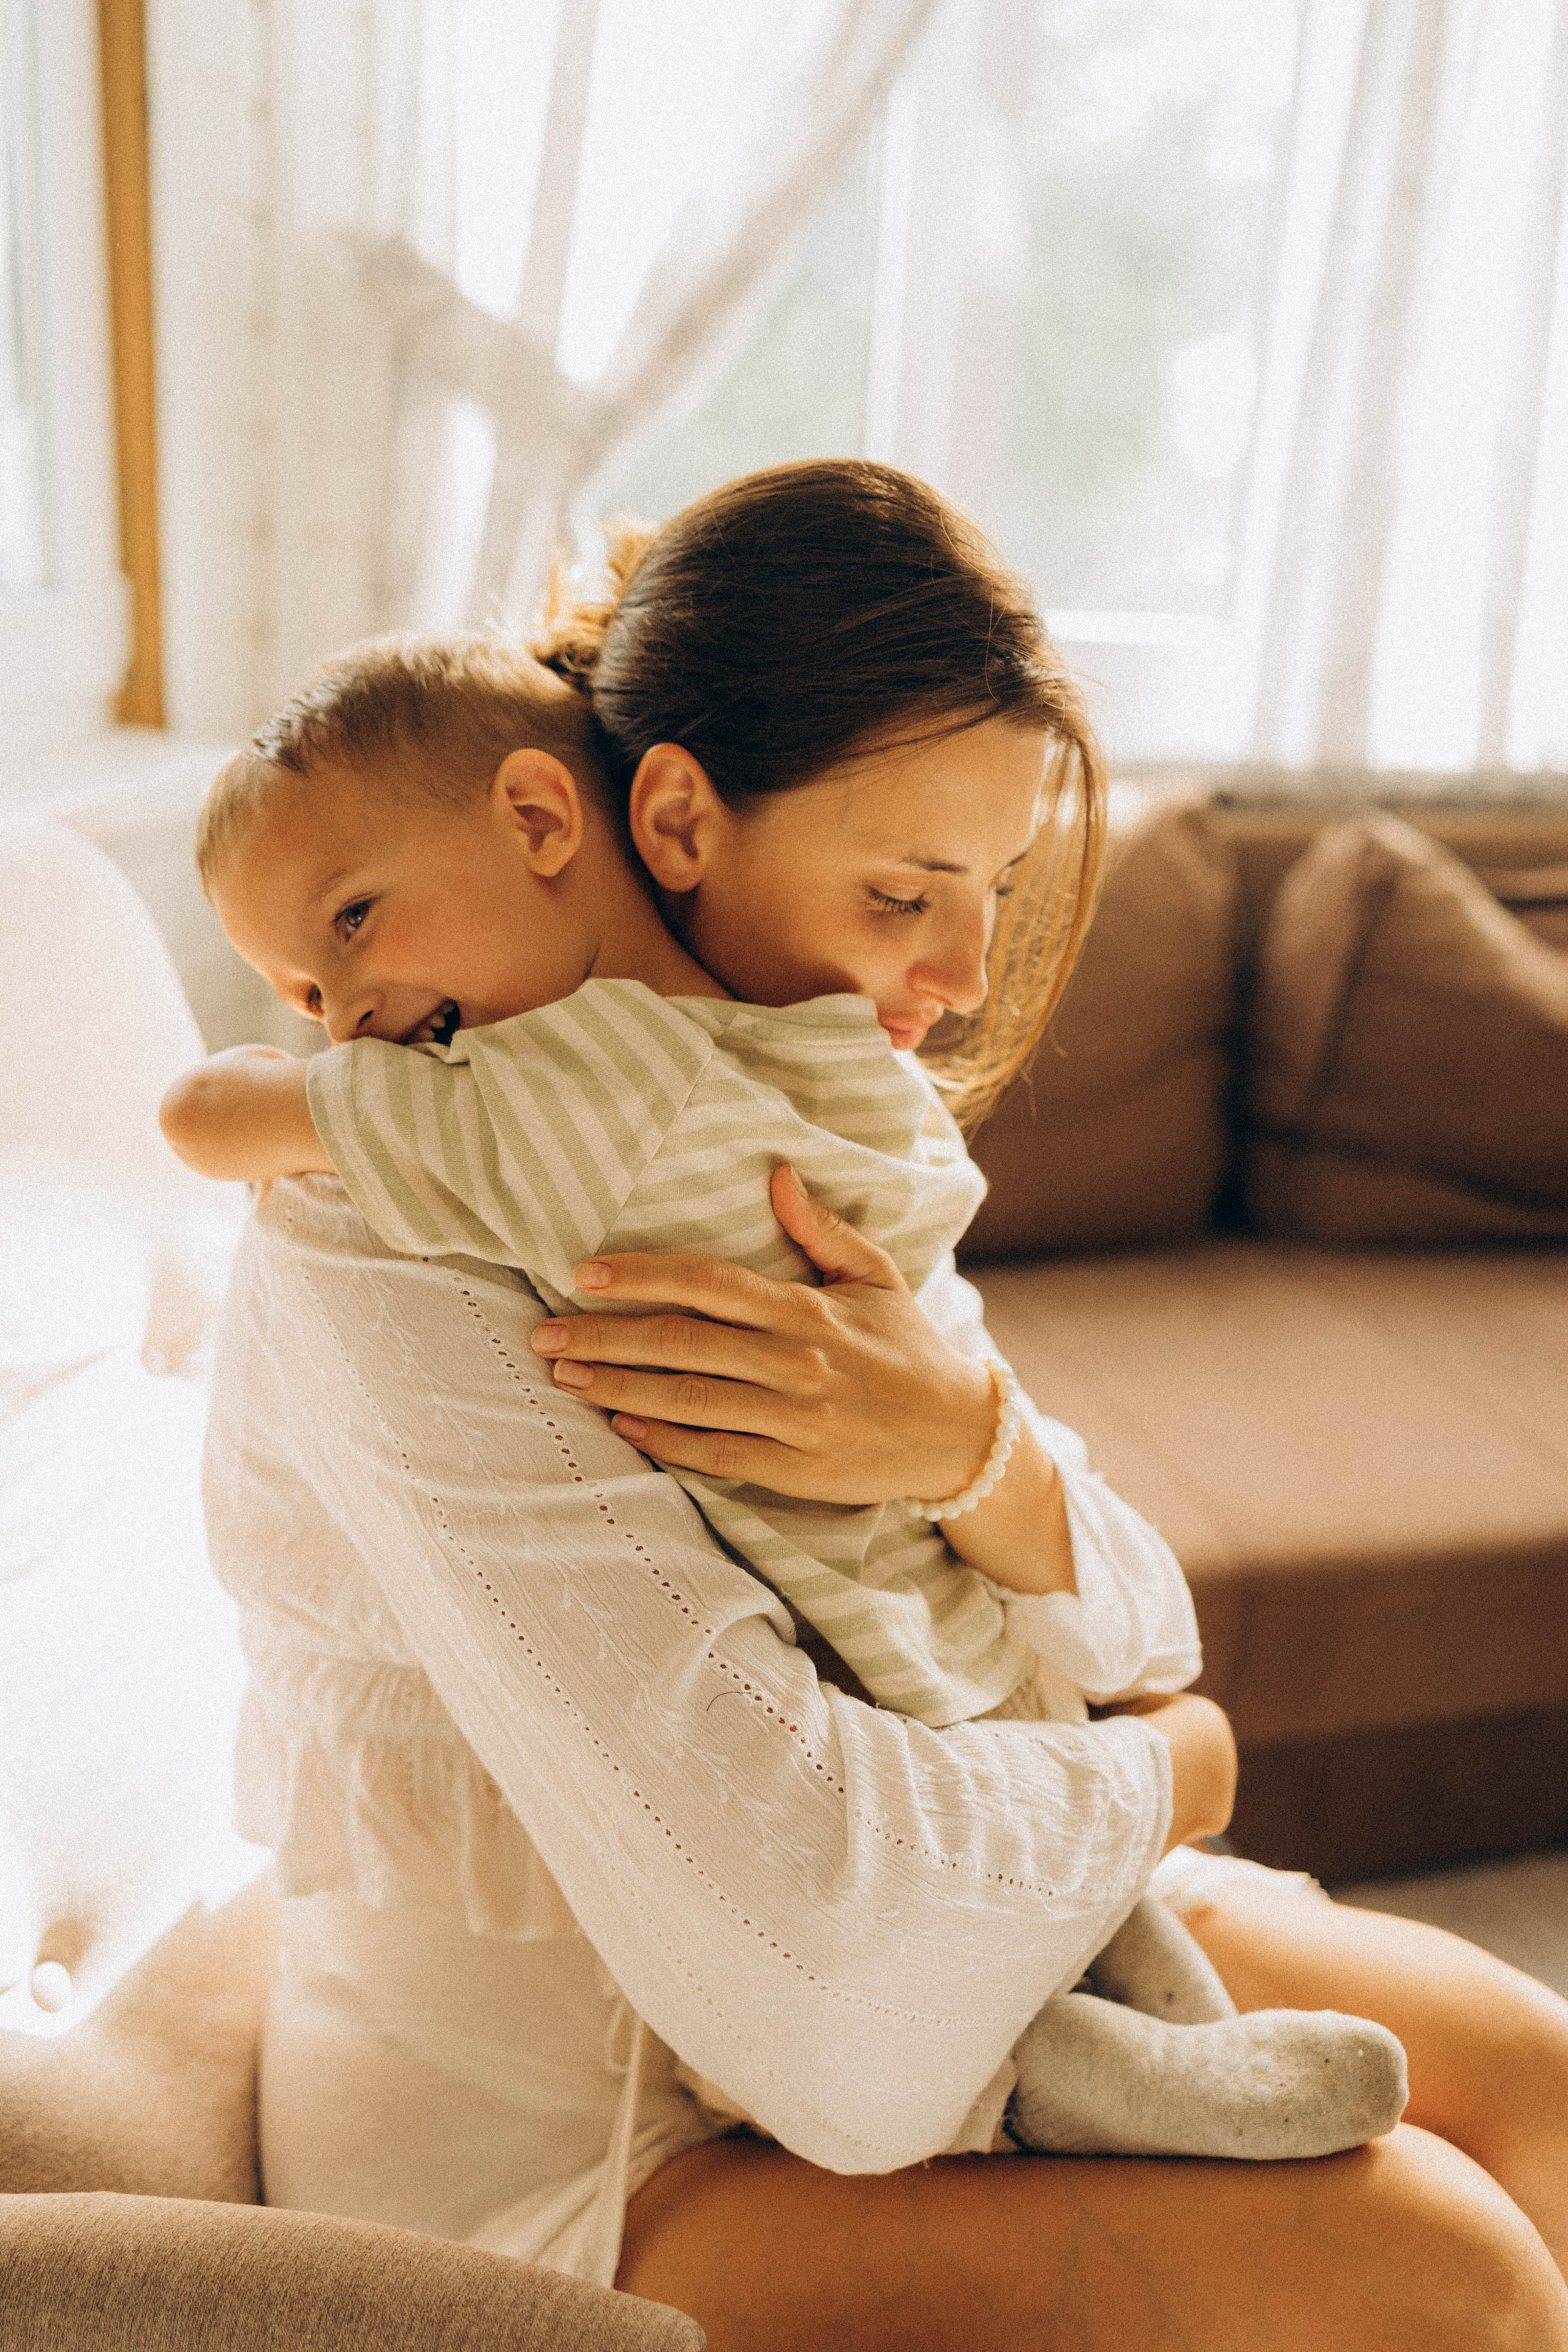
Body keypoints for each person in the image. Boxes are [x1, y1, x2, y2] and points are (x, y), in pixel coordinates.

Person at [190, 463, 1568, 2346]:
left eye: (991, 893)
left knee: (1535, 2073)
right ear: (671, 816)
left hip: (948, 1957)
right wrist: (1181, 1770)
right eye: (907, 889)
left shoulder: (801, 1118)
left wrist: (965, 1450)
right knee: (1438, 2274)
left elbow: (1129, 1610)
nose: (963, 974)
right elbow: (815, 1924)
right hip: (594, 2131)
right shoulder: (382, 1221)